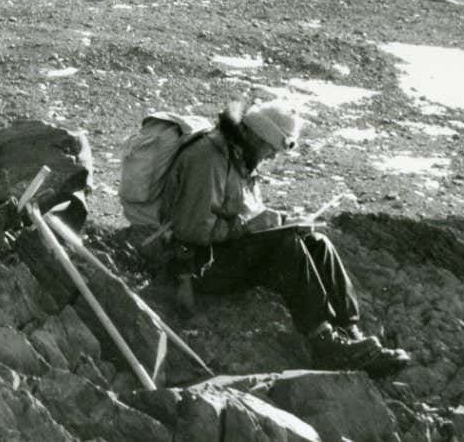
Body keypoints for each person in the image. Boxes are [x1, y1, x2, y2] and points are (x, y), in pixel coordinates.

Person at [161, 100, 411, 376]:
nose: (272, 156)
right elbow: (189, 229)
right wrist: (248, 227)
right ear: (256, 135)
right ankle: (323, 342)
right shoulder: (208, 158)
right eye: (271, 148)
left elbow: (240, 213)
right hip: (197, 266)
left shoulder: (239, 156)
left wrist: (275, 222)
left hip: (223, 252)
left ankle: (350, 333)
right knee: (285, 247)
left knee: (317, 243)